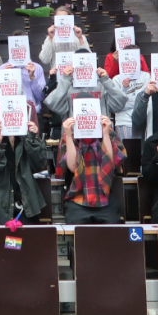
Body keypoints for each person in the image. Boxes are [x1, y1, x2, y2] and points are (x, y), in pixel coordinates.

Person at [57, 96, 126, 224]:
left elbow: (111, 163)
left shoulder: (109, 132)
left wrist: (105, 133)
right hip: (77, 200)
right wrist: (67, 134)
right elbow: (72, 166)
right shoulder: (69, 134)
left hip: (105, 199)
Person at [0, 106, 47, 225]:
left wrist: (32, 139)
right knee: (5, 243)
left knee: (23, 242)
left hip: (25, 206)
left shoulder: (26, 136)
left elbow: (39, 165)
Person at [44, 48, 128, 119]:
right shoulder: (67, 86)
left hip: (101, 133)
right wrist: (65, 80)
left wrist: (106, 81)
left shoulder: (102, 85)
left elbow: (119, 104)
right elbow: (53, 104)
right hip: (73, 134)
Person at [0, 30, 46, 112]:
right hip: (9, 112)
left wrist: (32, 78)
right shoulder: (2, 69)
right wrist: (4, 78)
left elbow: (41, 96)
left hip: (32, 112)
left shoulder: (37, 68)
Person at [111, 45, 151, 139]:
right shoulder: (116, 80)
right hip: (124, 121)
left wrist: (130, 103)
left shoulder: (146, 76)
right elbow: (117, 106)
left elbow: (145, 102)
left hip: (144, 121)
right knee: (128, 152)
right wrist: (124, 89)